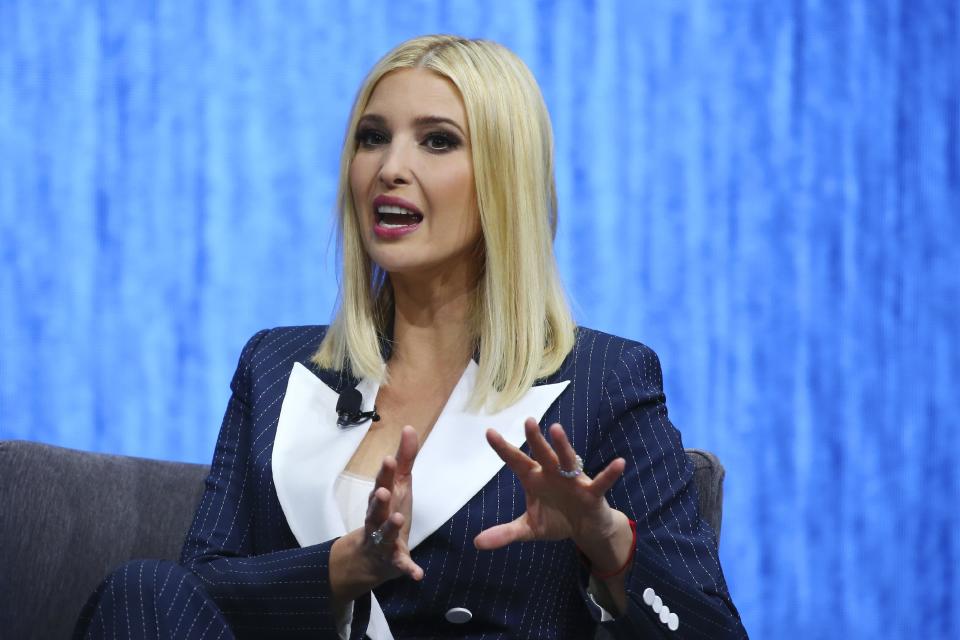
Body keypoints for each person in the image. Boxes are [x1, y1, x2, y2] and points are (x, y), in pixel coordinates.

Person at [75, 35, 747, 639]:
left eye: (437, 140)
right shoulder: (277, 367)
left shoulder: (605, 378)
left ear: (502, 180)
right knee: (143, 590)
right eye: (372, 137)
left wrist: (609, 544)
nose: (389, 167)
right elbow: (196, 596)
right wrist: (342, 567)